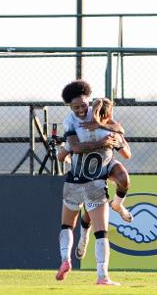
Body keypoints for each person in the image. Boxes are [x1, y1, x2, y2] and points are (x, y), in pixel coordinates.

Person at [55, 80, 123, 286]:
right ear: (69, 106)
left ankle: (65, 259)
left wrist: (66, 150)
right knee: (101, 231)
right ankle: (102, 276)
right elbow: (118, 134)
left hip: (74, 181)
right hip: (93, 184)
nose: (81, 109)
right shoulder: (102, 123)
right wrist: (104, 141)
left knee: (67, 225)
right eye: (76, 107)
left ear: (89, 101)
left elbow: (70, 150)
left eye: (83, 105)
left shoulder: (71, 123)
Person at [57, 98, 133, 261]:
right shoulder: (77, 124)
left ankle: (117, 205)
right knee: (90, 214)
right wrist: (67, 149)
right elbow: (65, 153)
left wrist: (116, 140)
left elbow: (127, 154)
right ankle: (84, 237)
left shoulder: (110, 127)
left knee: (123, 178)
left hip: (104, 164)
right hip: (84, 172)